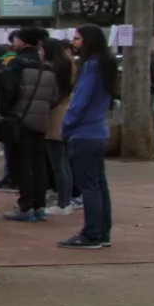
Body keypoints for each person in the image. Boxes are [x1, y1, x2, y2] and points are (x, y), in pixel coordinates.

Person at [59, 25, 116, 249]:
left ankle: (92, 233)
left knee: (89, 186)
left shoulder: (90, 67)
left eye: (78, 38)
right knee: (99, 184)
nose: (74, 42)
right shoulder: (104, 66)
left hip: (84, 132)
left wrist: (67, 126)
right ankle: (102, 232)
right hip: (98, 130)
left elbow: (79, 102)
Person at [0, 27, 58, 223]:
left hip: (19, 119)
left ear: (22, 42)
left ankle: (25, 206)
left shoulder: (17, 63)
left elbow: (8, 90)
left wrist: (4, 111)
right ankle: (40, 206)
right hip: (40, 120)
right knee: (38, 164)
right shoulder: (47, 66)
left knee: (22, 165)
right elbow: (54, 96)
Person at [41, 37, 76, 215]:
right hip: (67, 117)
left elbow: (52, 96)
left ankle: (63, 203)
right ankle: (66, 200)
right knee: (64, 162)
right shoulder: (70, 65)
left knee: (58, 163)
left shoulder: (54, 69)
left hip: (55, 119)